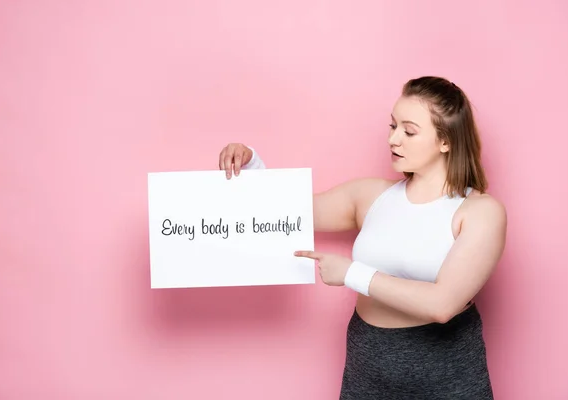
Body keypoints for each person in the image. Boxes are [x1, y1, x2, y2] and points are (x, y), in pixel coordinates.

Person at [217, 76, 506, 399]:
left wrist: (352, 273)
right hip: (368, 367)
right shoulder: (369, 195)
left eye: (409, 131)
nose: (394, 140)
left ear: (446, 141)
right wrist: (250, 165)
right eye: (393, 126)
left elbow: (442, 304)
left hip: (447, 375)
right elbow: (288, 212)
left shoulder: (480, 211)